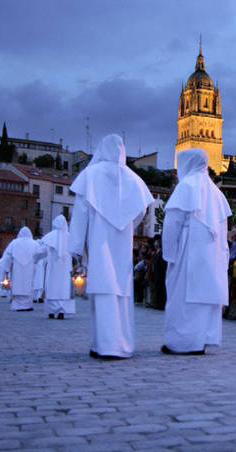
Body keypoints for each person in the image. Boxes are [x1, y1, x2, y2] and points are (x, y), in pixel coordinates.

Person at [68, 133, 153, 359]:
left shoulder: (90, 176)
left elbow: (80, 214)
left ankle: (103, 346)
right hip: (121, 245)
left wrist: (76, 246)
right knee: (122, 295)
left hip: (99, 243)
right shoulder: (133, 179)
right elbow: (142, 211)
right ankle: (122, 345)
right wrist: (128, 226)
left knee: (103, 292)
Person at [161, 147, 231, 355]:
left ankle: (182, 343)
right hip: (213, 256)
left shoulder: (186, 186)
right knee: (204, 296)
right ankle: (201, 340)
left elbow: (172, 223)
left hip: (187, 250)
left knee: (183, 298)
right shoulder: (217, 194)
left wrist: (169, 254)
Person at [36, 215, 74, 320]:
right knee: (63, 289)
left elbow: (41, 251)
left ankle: (51, 311)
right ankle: (61, 311)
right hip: (65, 270)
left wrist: (35, 258)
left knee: (52, 288)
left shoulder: (50, 237)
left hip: (52, 270)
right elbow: (76, 252)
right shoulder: (70, 237)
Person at [0, 226, 41, 311]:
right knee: (28, 285)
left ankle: (18, 305)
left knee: (17, 285)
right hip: (30, 268)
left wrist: (6, 270)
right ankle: (28, 305)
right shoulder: (34, 244)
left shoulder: (14, 243)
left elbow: (7, 257)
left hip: (17, 268)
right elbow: (39, 255)